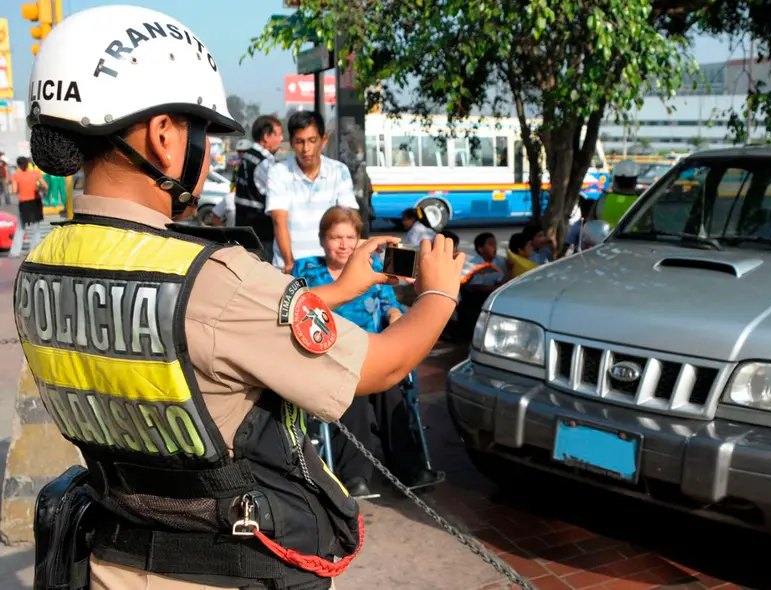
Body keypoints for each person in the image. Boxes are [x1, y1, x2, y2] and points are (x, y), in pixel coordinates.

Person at [18, 6, 465, 590]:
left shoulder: (42, 264)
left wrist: (338, 290)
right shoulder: (212, 278)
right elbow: (383, 365)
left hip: (112, 558)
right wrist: (439, 291)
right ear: (163, 138)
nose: (207, 152)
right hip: (227, 567)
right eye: (202, 131)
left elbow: (212, 341)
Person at [292, 206, 440, 497]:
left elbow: (389, 305)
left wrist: (397, 318)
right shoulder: (307, 269)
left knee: (391, 389)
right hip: (329, 357)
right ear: (323, 240)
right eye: (336, 237)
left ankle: (410, 469)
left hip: (373, 351)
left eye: (350, 237)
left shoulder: (374, 266)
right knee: (355, 390)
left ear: (360, 240)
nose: (344, 244)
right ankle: (355, 474)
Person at [267, 111, 358, 274]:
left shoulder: (339, 171)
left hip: (329, 267)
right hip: (290, 267)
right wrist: (290, 264)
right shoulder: (279, 172)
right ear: (292, 143)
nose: (306, 149)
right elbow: (279, 220)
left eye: (312, 141)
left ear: (323, 140)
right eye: (300, 142)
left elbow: (350, 219)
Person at [233, 117, 283, 261]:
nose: (281, 139)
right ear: (266, 137)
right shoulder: (264, 163)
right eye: (278, 135)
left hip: (246, 232)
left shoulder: (248, 157)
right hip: (261, 236)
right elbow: (274, 199)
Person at [210, 139, 254, 227]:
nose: (241, 154)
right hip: (235, 196)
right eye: (239, 152)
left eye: (244, 152)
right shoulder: (237, 166)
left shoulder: (254, 166)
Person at [11, 156, 46, 254]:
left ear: (18, 165)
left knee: (21, 227)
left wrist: (21, 187)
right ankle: (35, 250)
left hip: (24, 203)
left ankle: (15, 252)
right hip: (35, 202)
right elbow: (45, 186)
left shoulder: (15, 175)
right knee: (36, 228)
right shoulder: (35, 173)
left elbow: (14, 191)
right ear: (28, 163)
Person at [593, 158, 642, 228]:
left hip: (603, 238)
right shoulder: (641, 201)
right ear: (635, 181)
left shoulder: (603, 199)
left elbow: (591, 224)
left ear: (615, 180)